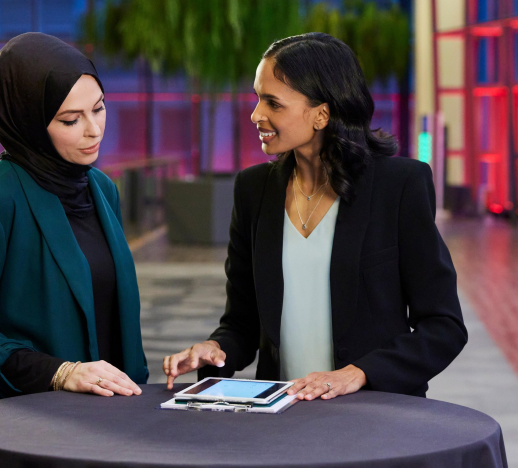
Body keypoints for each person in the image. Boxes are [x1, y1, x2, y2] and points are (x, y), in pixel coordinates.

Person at [163, 33, 467, 400]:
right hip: (283, 417)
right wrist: (213, 349)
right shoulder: (253, 189)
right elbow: (242, 324)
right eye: (258, 98)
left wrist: (359, 373)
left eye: (273, 103)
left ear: (322, 113)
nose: (256, 114)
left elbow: (443, 325)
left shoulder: (399, 186)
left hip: (377, 416)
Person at [0, 33, 147, 406]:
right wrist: (58, 372)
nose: (93, 130)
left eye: (98, 108)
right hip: (31, 417)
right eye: (70, 119)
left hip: (110, 414)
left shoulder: (100, 188)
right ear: (28, 121)